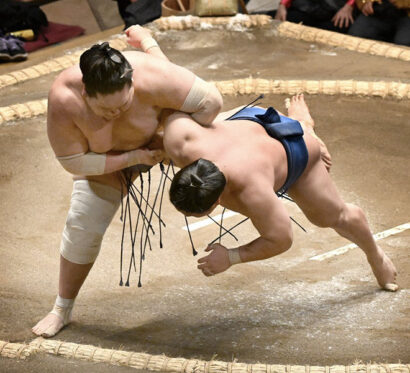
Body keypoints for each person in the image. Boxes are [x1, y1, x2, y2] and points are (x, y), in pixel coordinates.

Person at [32, 25, 223, 338]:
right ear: (85, 94)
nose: (118, 112)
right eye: (107, 109)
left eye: (124, 103)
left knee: (217, 162)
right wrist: (132, 158)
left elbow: (211, 103)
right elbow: (72, 162)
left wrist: (170, 133)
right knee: (82, 225)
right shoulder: (65, 98)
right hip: (106, 163)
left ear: (132, 81)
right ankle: (61, 309)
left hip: (159, 142)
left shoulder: (151, 75)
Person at [162, 94, 398, 292]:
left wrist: (232, 257)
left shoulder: (252, 193)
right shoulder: (179, 139)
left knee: (330, 216)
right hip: (248, 119)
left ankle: (376, 256)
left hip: (295, 149)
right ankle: (293, 124)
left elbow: (281, 239)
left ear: (217, 202)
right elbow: (171, 93)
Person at [275, 0, 356, 33]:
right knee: (286, 20)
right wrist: (283, 4)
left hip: (341, 9)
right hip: (310, 7)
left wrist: (349, 6)